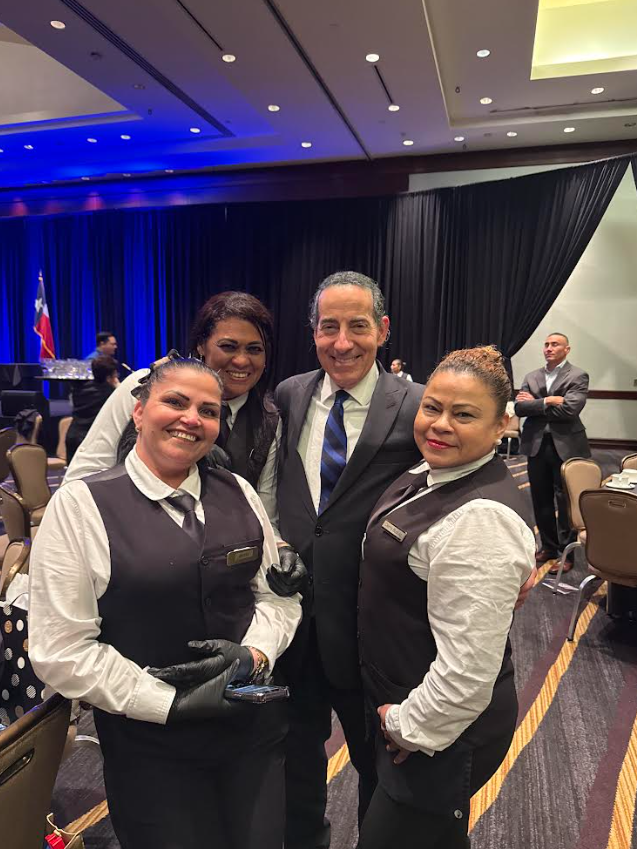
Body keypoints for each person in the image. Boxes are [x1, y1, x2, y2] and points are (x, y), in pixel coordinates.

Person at [269, 272, 535, 848]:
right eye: (329, 327)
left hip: (380, 648)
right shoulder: (290, 394)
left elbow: (479, 517)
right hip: (296, 621)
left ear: (383, 330)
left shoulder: (420, 403)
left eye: (358, 326)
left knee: (384, 783)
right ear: (312, 332)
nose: (343, 342)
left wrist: (513, 558)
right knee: (295, 760)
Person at [29, 358, 302, 849]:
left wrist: (256, 653)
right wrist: (167, 704)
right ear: (138, 412)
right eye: (175, 402)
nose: (191, 418)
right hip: (149, 750)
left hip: (251, 739)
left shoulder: (238, 491)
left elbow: (277, 598)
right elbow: (61, 650)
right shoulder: (80, 506)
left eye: (208, 410)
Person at [356, 346, 535, 849]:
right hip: (413, 707)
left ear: (501, 424)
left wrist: (407, 727)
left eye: (464, 415)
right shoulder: (429, 473)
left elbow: (468, 672)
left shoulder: (480, 519)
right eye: (432, 407)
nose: (439, 425)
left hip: (442, 730)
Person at [514, 333, 590, 574]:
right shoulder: (532, 376)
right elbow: (519, 408)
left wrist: (536, 403)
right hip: (536, 444)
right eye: (546, 344)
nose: (548, 348)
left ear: (567, 349)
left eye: (554, 344)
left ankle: (567, 553)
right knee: (540, 497)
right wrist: (549, 400)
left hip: (566, 445)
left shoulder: (577, 375)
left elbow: (569, 410)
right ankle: (548, 546)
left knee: (565, 499)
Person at [65, 355, 119, 464]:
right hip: (91, 441)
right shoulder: (110, 393)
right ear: (110, 376)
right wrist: (117, 385)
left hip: (72, 437)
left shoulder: (79, 389)